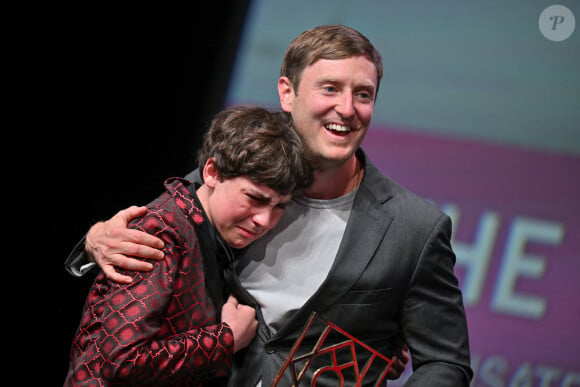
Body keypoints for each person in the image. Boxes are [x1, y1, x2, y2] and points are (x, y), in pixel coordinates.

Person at [66, 25, 473, 386]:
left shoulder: (414, 228)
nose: (347, 109)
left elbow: (445, 362)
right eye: (330, 88)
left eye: (363, 94)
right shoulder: (242, 170)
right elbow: (162, 224)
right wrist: (93, 241)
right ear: (287, 92)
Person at [64, 105, 313, 386]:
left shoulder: (206, 232)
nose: (264, 219)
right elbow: (121, 361)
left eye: (279, 206)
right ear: (212, 173)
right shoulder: (160, 233)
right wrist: (225, 340)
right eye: (254, 198)